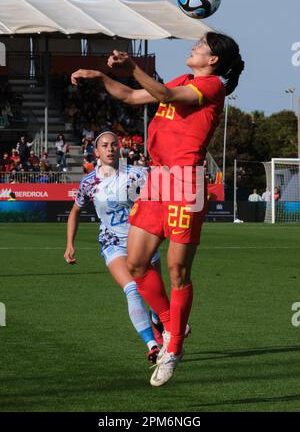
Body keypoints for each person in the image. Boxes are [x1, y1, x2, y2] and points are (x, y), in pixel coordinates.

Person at [71, 31, 244, 386]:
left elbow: (162, 94)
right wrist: (103, 77)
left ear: (213, 59)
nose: (193, 47)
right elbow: (133, 95)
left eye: (201, 46)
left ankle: (174, 347)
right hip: (158, 180)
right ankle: (170, 324)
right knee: (136, 264)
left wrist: (132, 65)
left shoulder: (211, 87)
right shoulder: (184, 78)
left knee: (176, 269)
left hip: (186, 182)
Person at [64, 131, 163, 364]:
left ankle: (162, 323)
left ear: (120, 148)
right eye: (104, 146)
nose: (110, 149)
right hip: (112, 242)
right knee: (132, 289)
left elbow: (161, 192)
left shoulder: (138, 174)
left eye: (114, 145)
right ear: (96, 152)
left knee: (156, 295)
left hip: (143, 241)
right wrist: (70, 244)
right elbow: (75, 211)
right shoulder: (89, 182)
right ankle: (152, 345)